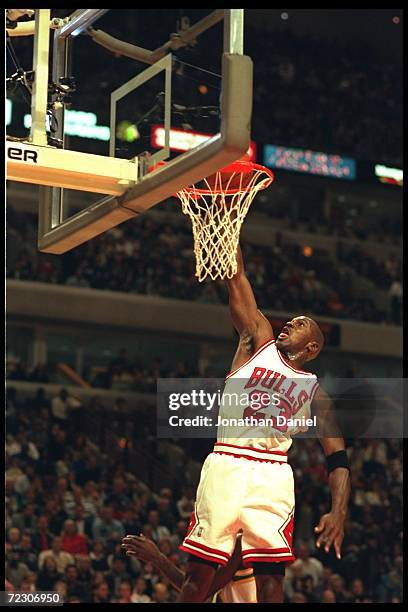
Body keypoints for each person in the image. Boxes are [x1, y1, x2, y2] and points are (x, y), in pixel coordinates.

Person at [176, 245, 350, 603]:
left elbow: (338, 458)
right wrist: (229, 228)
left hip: (271, 473)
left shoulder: (316, 393)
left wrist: (339, 511)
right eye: (290, 320)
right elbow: (237, 278)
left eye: (300, 324)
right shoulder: (258, 339)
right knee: (199, 574)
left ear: (312, 346)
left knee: (271, 579)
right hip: (227, 460)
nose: (289, 323)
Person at [122, 530, 257, 603]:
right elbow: (196, 587)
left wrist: (158, 558)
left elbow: (199, 591)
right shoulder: (228, 537)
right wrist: (157, 558)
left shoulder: (241, 542)